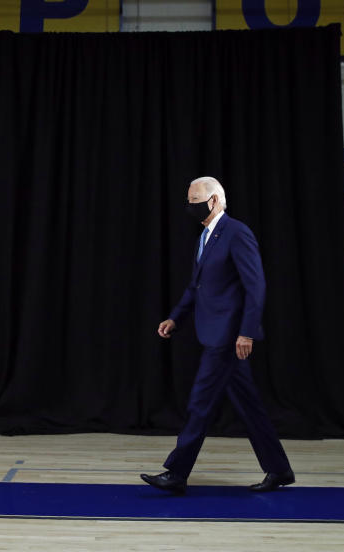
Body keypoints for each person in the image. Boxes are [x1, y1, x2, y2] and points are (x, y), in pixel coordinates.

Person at [141, 177, 294, 494]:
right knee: (250, 407)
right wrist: (176, 317)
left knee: (200, 403)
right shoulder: (207, 237)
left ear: (213, 200)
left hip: (226, 338)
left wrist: (247, 332)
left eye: (194, 198)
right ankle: (279, 469)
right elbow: (197, 286)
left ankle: (177, 472)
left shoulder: (236, 233)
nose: (189, 205)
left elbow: (256, 286)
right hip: (212, 333)